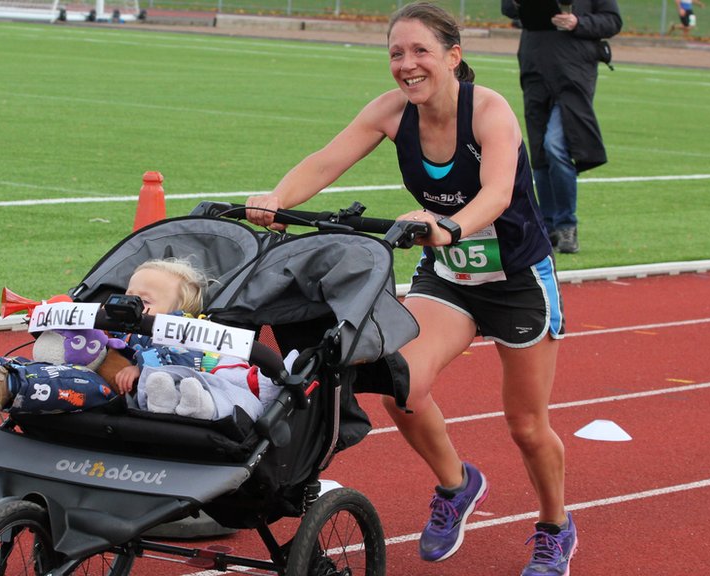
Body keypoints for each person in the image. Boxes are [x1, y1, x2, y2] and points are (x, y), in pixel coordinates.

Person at [244, 3, 574, 574]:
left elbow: (496, 193)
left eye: (420, 51)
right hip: (449, 279)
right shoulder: (392, 113)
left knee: (526, 426)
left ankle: (555, 527)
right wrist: (278, 198)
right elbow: (326, 161)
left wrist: (449, 225)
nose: (407, 64)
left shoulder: (489, 112)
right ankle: (457, 485)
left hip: (516, 281)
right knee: (403, 386)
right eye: (396, 53)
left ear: (453, 55)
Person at [0, 257, 277, 419]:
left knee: (78, 383)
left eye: (144, 301)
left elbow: (187, 359)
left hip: (128, 393)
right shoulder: (116, 323)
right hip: (98, 374)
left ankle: (11, 385)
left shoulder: (185, 329)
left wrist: (143, 367)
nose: (131, 304)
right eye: (128, 294)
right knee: (64, 374)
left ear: (180, 312)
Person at [501, 0, 622, 254]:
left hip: (574, 71)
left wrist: (578, 22)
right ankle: (546, 226)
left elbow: (613, 20)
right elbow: (510, 9)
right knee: (540, 153)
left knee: (555, 145)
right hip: (534, 66)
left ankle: (567, 224)